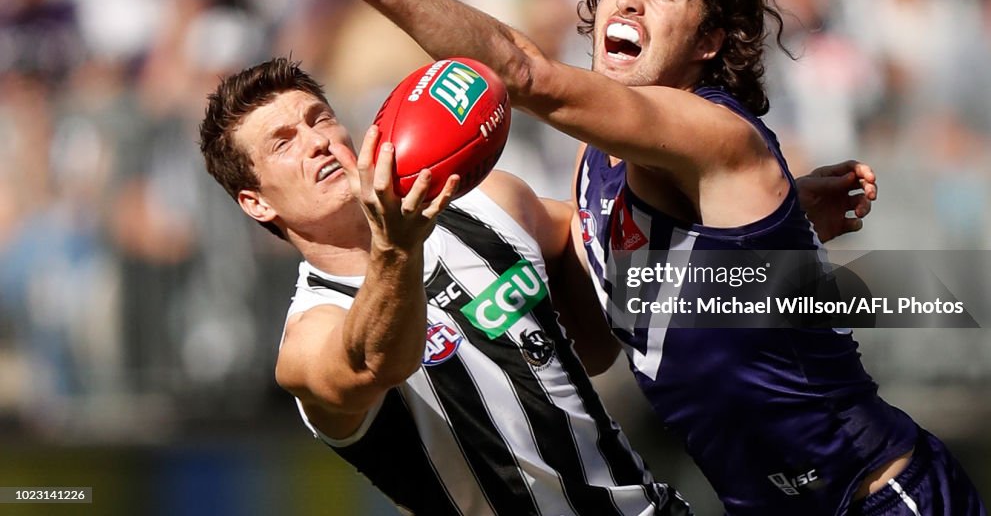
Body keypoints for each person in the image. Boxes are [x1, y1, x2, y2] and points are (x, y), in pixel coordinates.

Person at [244, 0, 987, 516]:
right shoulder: (599, 160)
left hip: (876, 496)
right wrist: (778, 229)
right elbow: (619, 326)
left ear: (709, 43)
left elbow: (527, 77)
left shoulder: (716, 137)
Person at [198, 58, 695, 515]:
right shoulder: (308, 337)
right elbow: (374, 361)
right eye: (283, 143)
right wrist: (397, 250)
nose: (316, 141)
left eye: (319, 118)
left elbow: (588, 250)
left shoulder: (490, 202)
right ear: (257, 203)